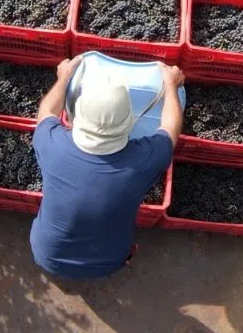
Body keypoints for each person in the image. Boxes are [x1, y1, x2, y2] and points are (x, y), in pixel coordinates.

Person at [29, 57, 184, 279]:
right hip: (109, 264)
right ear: (130, 121)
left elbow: (46, 111)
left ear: (76, 114)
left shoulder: (51, 142)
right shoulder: (144, 160)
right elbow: (171, 128)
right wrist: (171, 84)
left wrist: (63, 78)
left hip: (46, 256)